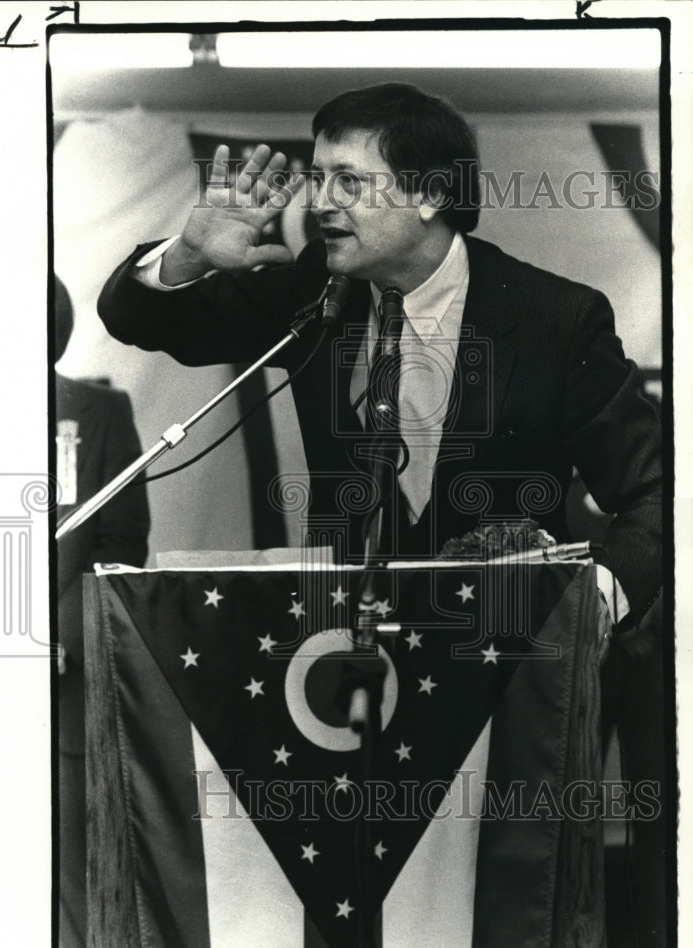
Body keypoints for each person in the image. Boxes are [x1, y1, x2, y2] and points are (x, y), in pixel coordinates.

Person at [97, 82, 662, 627]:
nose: (319, 202)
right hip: (336, 655)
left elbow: (658, 493)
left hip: (508, 657)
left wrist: (598, 600)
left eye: (347, 180)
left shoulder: (557, 320)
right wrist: (188, 257)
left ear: (432, 194)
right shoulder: (313, 290)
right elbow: (136, 317)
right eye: (318, 178)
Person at [55, 275, 150, 948]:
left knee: (71, 861)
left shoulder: (97, 414)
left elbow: (119, 554)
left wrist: (49, 636)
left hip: (64, 690)